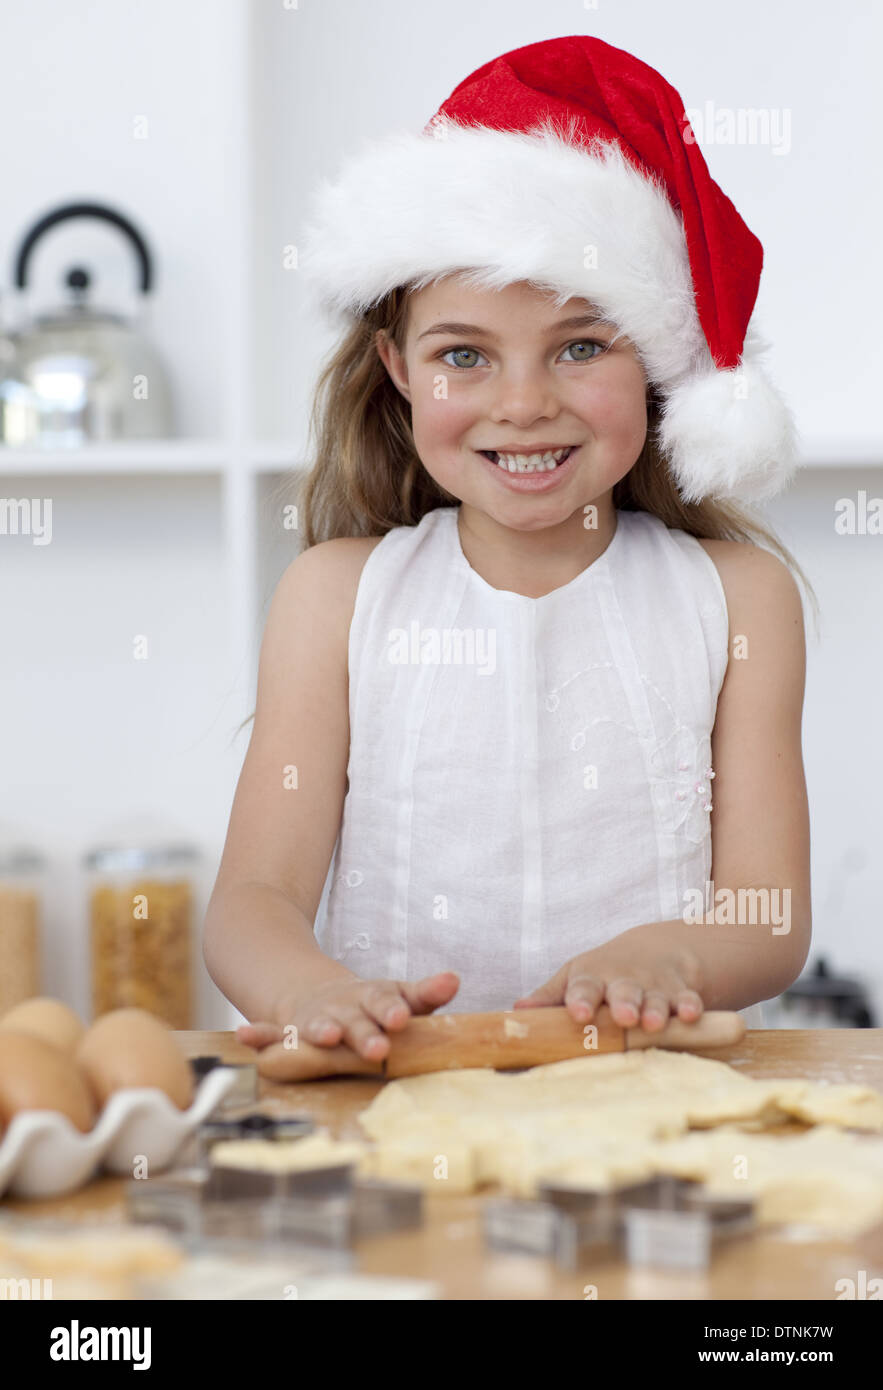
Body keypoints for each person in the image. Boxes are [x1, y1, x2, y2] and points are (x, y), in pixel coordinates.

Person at [203, 35, 814, 1068]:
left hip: (646, 1112)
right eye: (463, 355)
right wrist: (310, 986)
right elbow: (251, 902)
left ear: (659, 355)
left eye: (581, 346)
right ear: (398, 366)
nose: (524, 404)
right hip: (388, 1109)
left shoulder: (740, 599)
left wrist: (670, 951)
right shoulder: (334, 598)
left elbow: (766, 912)